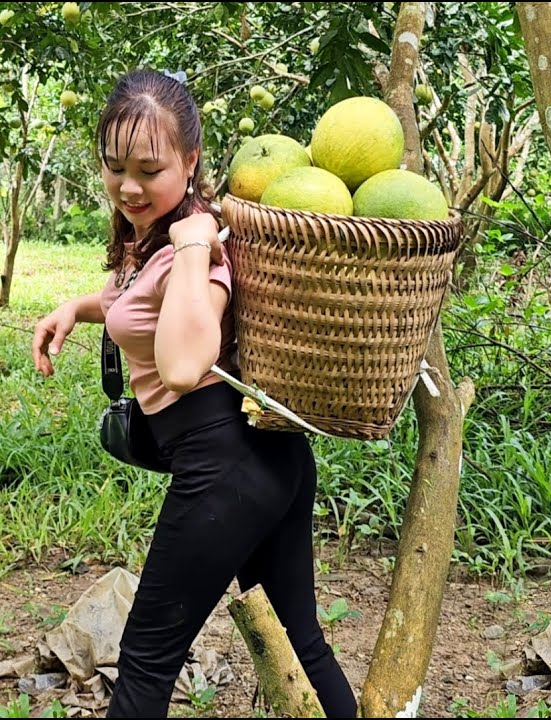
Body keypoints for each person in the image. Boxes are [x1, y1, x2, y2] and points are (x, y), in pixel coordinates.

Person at [30, 68, 357, 717]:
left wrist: (192, 247)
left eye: (148, 169)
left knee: (147, 663)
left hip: (222, 468)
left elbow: (183, 363)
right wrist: (77, 306)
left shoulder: (198, 245)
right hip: (269, 457)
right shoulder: (162, 241)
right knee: (302, 640)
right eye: (114, 166)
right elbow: (140, 303)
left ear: (189, 160)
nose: (128, 185)